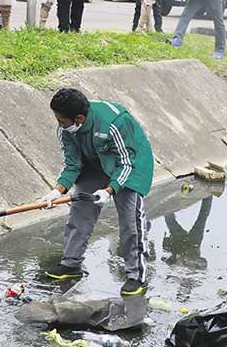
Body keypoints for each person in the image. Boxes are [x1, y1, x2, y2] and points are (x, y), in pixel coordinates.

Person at [41, 88, 154, 296]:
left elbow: (126, 164)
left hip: (131, 164)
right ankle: (71, 263)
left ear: (80, 118)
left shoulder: (115, 122)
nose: (60, 125)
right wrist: (57, 190)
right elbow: (72, 164)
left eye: (63, 121)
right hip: (95, 162)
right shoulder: (66, 129)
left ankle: (136, 276)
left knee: (131, 223)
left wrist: (109, 190)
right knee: (80, 211)